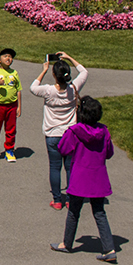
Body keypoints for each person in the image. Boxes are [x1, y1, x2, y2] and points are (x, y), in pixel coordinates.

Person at [51, 96, 118, 262]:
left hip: (79, 179)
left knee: (74, 212)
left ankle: (67, 243)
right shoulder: (104, 132)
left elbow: (63, 148)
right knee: (99, 212)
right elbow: (109, 153)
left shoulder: (75, 131)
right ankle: (109, 248)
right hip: (98, 178)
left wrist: (67, 132)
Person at [30, 53, 88, 208]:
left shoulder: (48, 91)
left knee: (55, 167)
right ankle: (70, 198)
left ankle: (57, 200)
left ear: (54, 75)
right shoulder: (73, 89)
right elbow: (84, 72)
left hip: (52, 134)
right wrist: (69, 57)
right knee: (70, 167)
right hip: (70, 134)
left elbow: (33, 88)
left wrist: (44, 70)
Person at [0, 48, 21, 161]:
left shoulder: (14, 73)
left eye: (10, 57)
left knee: (11, 129)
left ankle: (9, 150)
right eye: (5, 56)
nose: (8, 59)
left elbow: (18, 90)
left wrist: (19, 106)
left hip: (12, 105)